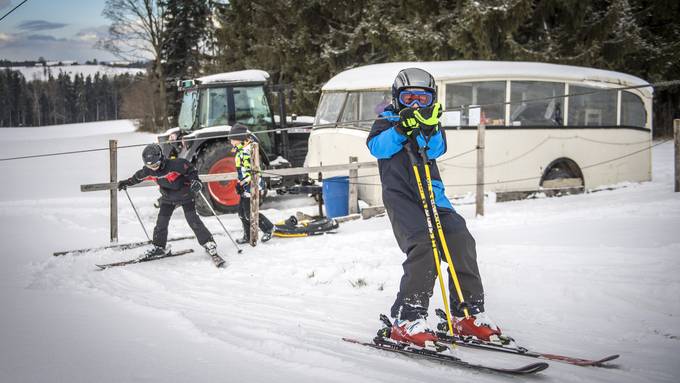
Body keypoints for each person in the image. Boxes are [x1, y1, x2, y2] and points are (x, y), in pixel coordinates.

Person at [366, 68, 502, 347]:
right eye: (409, 97)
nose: (416, 104)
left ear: (432, 100)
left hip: (432, 196)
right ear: (397, 98)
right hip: (403, 198)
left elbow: (437, 149)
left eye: (422, 98)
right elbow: (378, 148)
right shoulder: (386, 121)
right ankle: (407, 318)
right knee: (423, 244)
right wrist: (402, 128)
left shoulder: (432, 122)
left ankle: (467, 314)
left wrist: (426, 127)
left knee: (460, 239)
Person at [117, 143, 218, 258]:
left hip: (185, 195)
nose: (154, 168)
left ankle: (208, 242)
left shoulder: (176, 164)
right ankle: (159, 247)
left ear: (161, 158)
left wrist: (196, 181)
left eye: (156, 164)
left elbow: (191, 170)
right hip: (167, 198)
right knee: (161, 222)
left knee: (193, 220)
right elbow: (137, 178)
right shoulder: (148, 171)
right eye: (150, 166)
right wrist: (126, 182)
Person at [228, 123, 274, 244]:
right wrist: (240, 183)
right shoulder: (240, 150)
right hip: (245, 184)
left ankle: (269, 228)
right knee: (242, 213)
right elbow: (242, 171)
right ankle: (247, 235)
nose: (231, 141)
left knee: (249, 213)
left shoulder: (247, 151)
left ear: (239, 139)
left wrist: (242, 184)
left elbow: (250, 172)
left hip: (251, 185)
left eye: (232, 139)